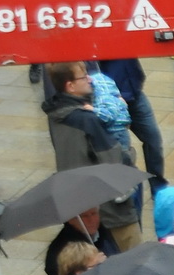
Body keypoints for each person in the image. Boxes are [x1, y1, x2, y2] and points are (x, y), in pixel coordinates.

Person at [43, 63, 142, 247]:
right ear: (70, 86)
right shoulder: (88, 120)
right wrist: (130, 154)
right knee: (134, 252)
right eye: (83, 77)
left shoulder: (56, 114)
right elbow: (115, 160)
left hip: (79, 204)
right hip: (109, 204)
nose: (89, 79)